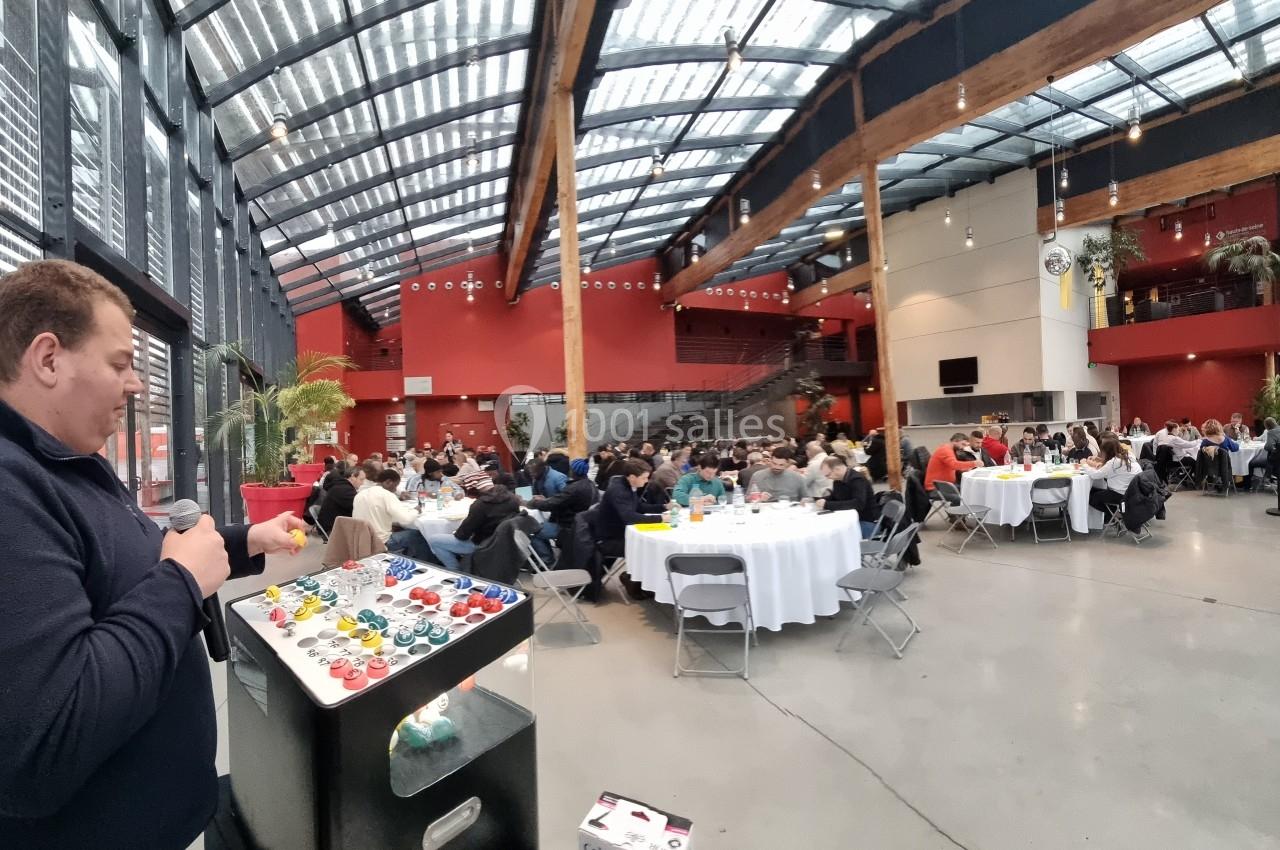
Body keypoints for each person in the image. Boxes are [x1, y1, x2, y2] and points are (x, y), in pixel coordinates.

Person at [0, 260, 306, 847]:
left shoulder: (66, 463)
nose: (137, 384)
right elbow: (46, 742)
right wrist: (182, 584)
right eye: (119, 363)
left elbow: (124, 567)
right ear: (48, 359)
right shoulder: (12, 489)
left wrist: (243, 542)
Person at [425, 471, 520, 571]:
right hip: (506, 541)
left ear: (478, 489)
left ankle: (455, 570)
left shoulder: (480, 505)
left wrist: (456, 532)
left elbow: (462, 535)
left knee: (434, 540)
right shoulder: (512, 498)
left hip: (483, 544)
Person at [525, 458, 596, 567]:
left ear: (573, 471)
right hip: (578, 524)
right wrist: (547, 500)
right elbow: (560, 500)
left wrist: (534, 503)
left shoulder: (572, 488)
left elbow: (555, 503)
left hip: (568, 527)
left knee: (531, 530)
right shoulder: (589, 484)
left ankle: (547, 561)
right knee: (538, 524)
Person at [596, 459, 668, 559]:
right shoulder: (619, 491)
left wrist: (664, 507)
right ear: (632, 477)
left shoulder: (628, 484)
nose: (646, 481)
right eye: (644, 478)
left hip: (621, 532)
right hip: (611, 539)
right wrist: (661, 519)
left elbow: (639, 506)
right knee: (653, 547)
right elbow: (630, 518)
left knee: (655, 540)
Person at [352, 468, 431, 559]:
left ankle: (405, 558)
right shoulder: (387, 495)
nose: (395, 489)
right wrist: (416, 510)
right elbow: (406, 519)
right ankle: (424, 562)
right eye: (395, 485)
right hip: (381, 542)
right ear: (388, 482)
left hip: (361, 541)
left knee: (399, 530)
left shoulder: (360, 494)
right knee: (418, 534)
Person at [817, 456, 878, 538]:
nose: (827, 478)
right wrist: (817, 500)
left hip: (866, 521)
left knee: (833, 534)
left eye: (828, 475)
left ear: (837, 469)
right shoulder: (838, 481)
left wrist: (827, 504)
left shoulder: (857, 480)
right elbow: (835, 497)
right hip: (854, 519)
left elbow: (858, 504)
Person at [1084, 438, 1141, 515]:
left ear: (1107, 452)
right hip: (1134, 493)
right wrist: (1100, 459)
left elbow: (1096, 475)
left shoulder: (1114, 462)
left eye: (1102, 452)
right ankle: (1115, 514)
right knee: (1092, 491)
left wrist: (1085, 464)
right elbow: (1110, 465)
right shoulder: (1128, 455)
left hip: (1122, 495)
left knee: (1091, 498)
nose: (1101, 454)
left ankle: (1115, 514)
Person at [316, 461, 366, 534]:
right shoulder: (345, 490)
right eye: (361, 479)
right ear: (352, 477)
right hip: (332, 529)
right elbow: (360, 508)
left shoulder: (341, 486)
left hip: (331, 525)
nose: (363, 483)